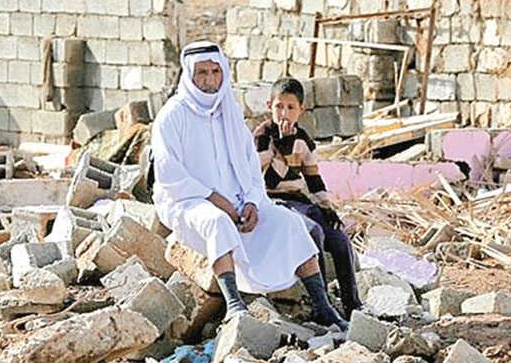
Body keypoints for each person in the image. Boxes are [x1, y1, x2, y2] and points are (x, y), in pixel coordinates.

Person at [150, 41, 348, 330]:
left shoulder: (229, 113)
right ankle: (234, 306)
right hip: (188, 200)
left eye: (215, 72)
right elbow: (169, 174)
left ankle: (323, 307)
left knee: (289, 222)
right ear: (189, 75)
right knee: (217, 221)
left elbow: (253, 171)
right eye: (202, 72)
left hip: (238, 199)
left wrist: (253, 202)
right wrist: (216, 199)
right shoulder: (172, 115)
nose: (209, 80)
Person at [253, 78, 362, 318]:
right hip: (272, 202)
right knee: (314, 232)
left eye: (291, 108)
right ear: (269, 105)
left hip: (300, 201)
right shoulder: (263, 137)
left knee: (339, 238)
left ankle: (352, 304)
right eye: (279, 107)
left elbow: (313, 179)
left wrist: (327, 207)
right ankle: (321, 304)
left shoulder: (302, 139)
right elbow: (266, 181)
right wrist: (283, 148)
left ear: (300, 111)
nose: (284, 113)